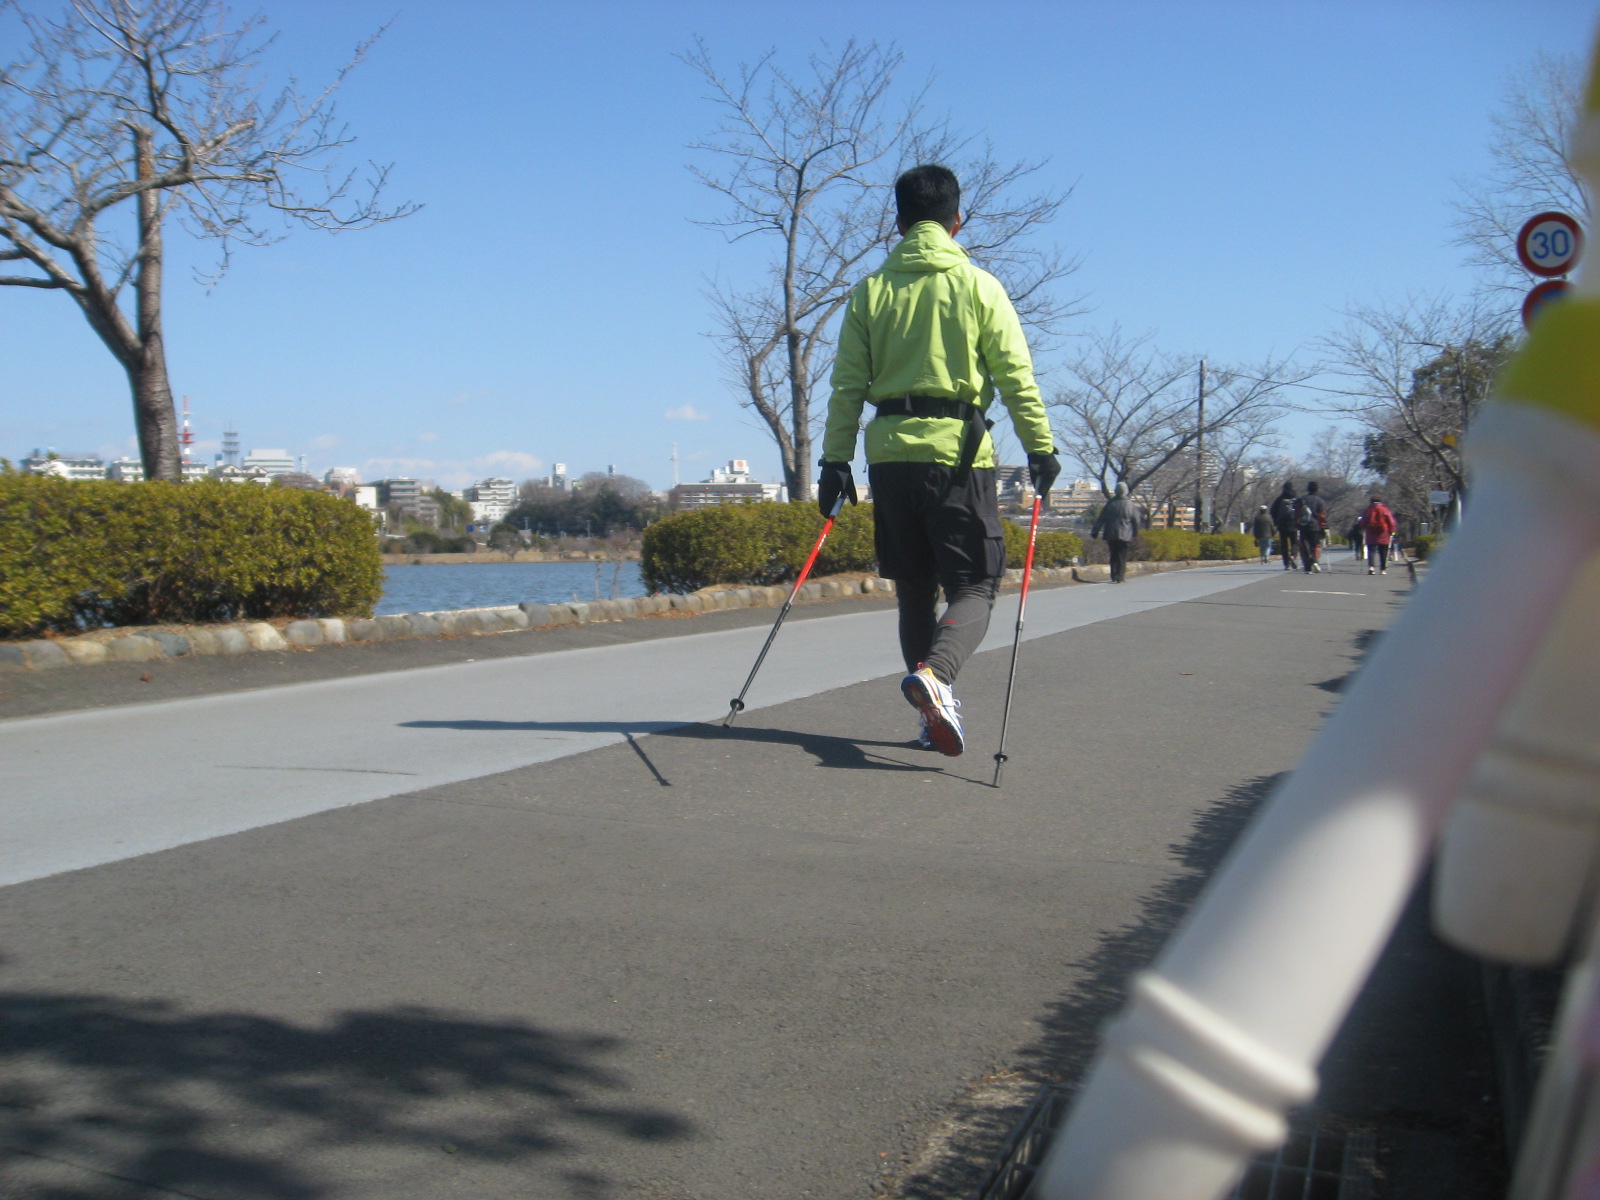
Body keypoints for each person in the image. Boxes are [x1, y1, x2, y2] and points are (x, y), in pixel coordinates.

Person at [818, 163, 1058, 758]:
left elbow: (847, 386)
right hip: (960, 456)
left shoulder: (871, 291)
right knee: (976, 582)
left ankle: (932, 717)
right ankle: (939, 676)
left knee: (914, 591)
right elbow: (1016, 376)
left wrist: (834, 462)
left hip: (890, 456)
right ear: (958, 220)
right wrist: (1040, 446)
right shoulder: (980, 286)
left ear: (896, 222)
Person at [1091, 483, 1142, 582]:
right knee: (1122, 555)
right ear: (1126, 491)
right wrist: (1135, 532)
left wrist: (1095, 531)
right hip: (1126, 533)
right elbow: (1136, 520)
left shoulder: (1110, 504)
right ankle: (1120, 576)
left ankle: (1114, 576)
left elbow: (1101, 519)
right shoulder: (1130, 505)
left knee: (1113, 555)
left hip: (1111, 533)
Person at [1294, 480, 1328, 573]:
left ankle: (1307, 567)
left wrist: (1296, 523)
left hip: (1303, 526)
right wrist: (1323, 526)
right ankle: (1314, 560)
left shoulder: (1301, 500)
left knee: (1304, 547)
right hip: (1316, 526)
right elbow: (1322, 515)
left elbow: (1297, 513)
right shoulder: (1320, 501)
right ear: (1317, 489)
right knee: (1315, 545)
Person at [1359, 494, 1397, 575]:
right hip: (1384, 533)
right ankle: (1383, 569)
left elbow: (1363, 522)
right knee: (1383, 551)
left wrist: (1363, 528)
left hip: (1371, 533)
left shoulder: (1368, 510)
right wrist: (1392, 531)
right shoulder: (1385, 510)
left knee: (1371, 551)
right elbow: (1391, 521)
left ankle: (1371, 567)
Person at [1269, 482, 1299, 571]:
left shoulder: (1279, 499)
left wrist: (1276, 522)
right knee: (1295, 543)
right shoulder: (1296, 499)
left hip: (1282, 526)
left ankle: (1286, 564)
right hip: (1294, 525)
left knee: (1284, 545)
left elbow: (1272, 511)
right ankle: (1293, 556)